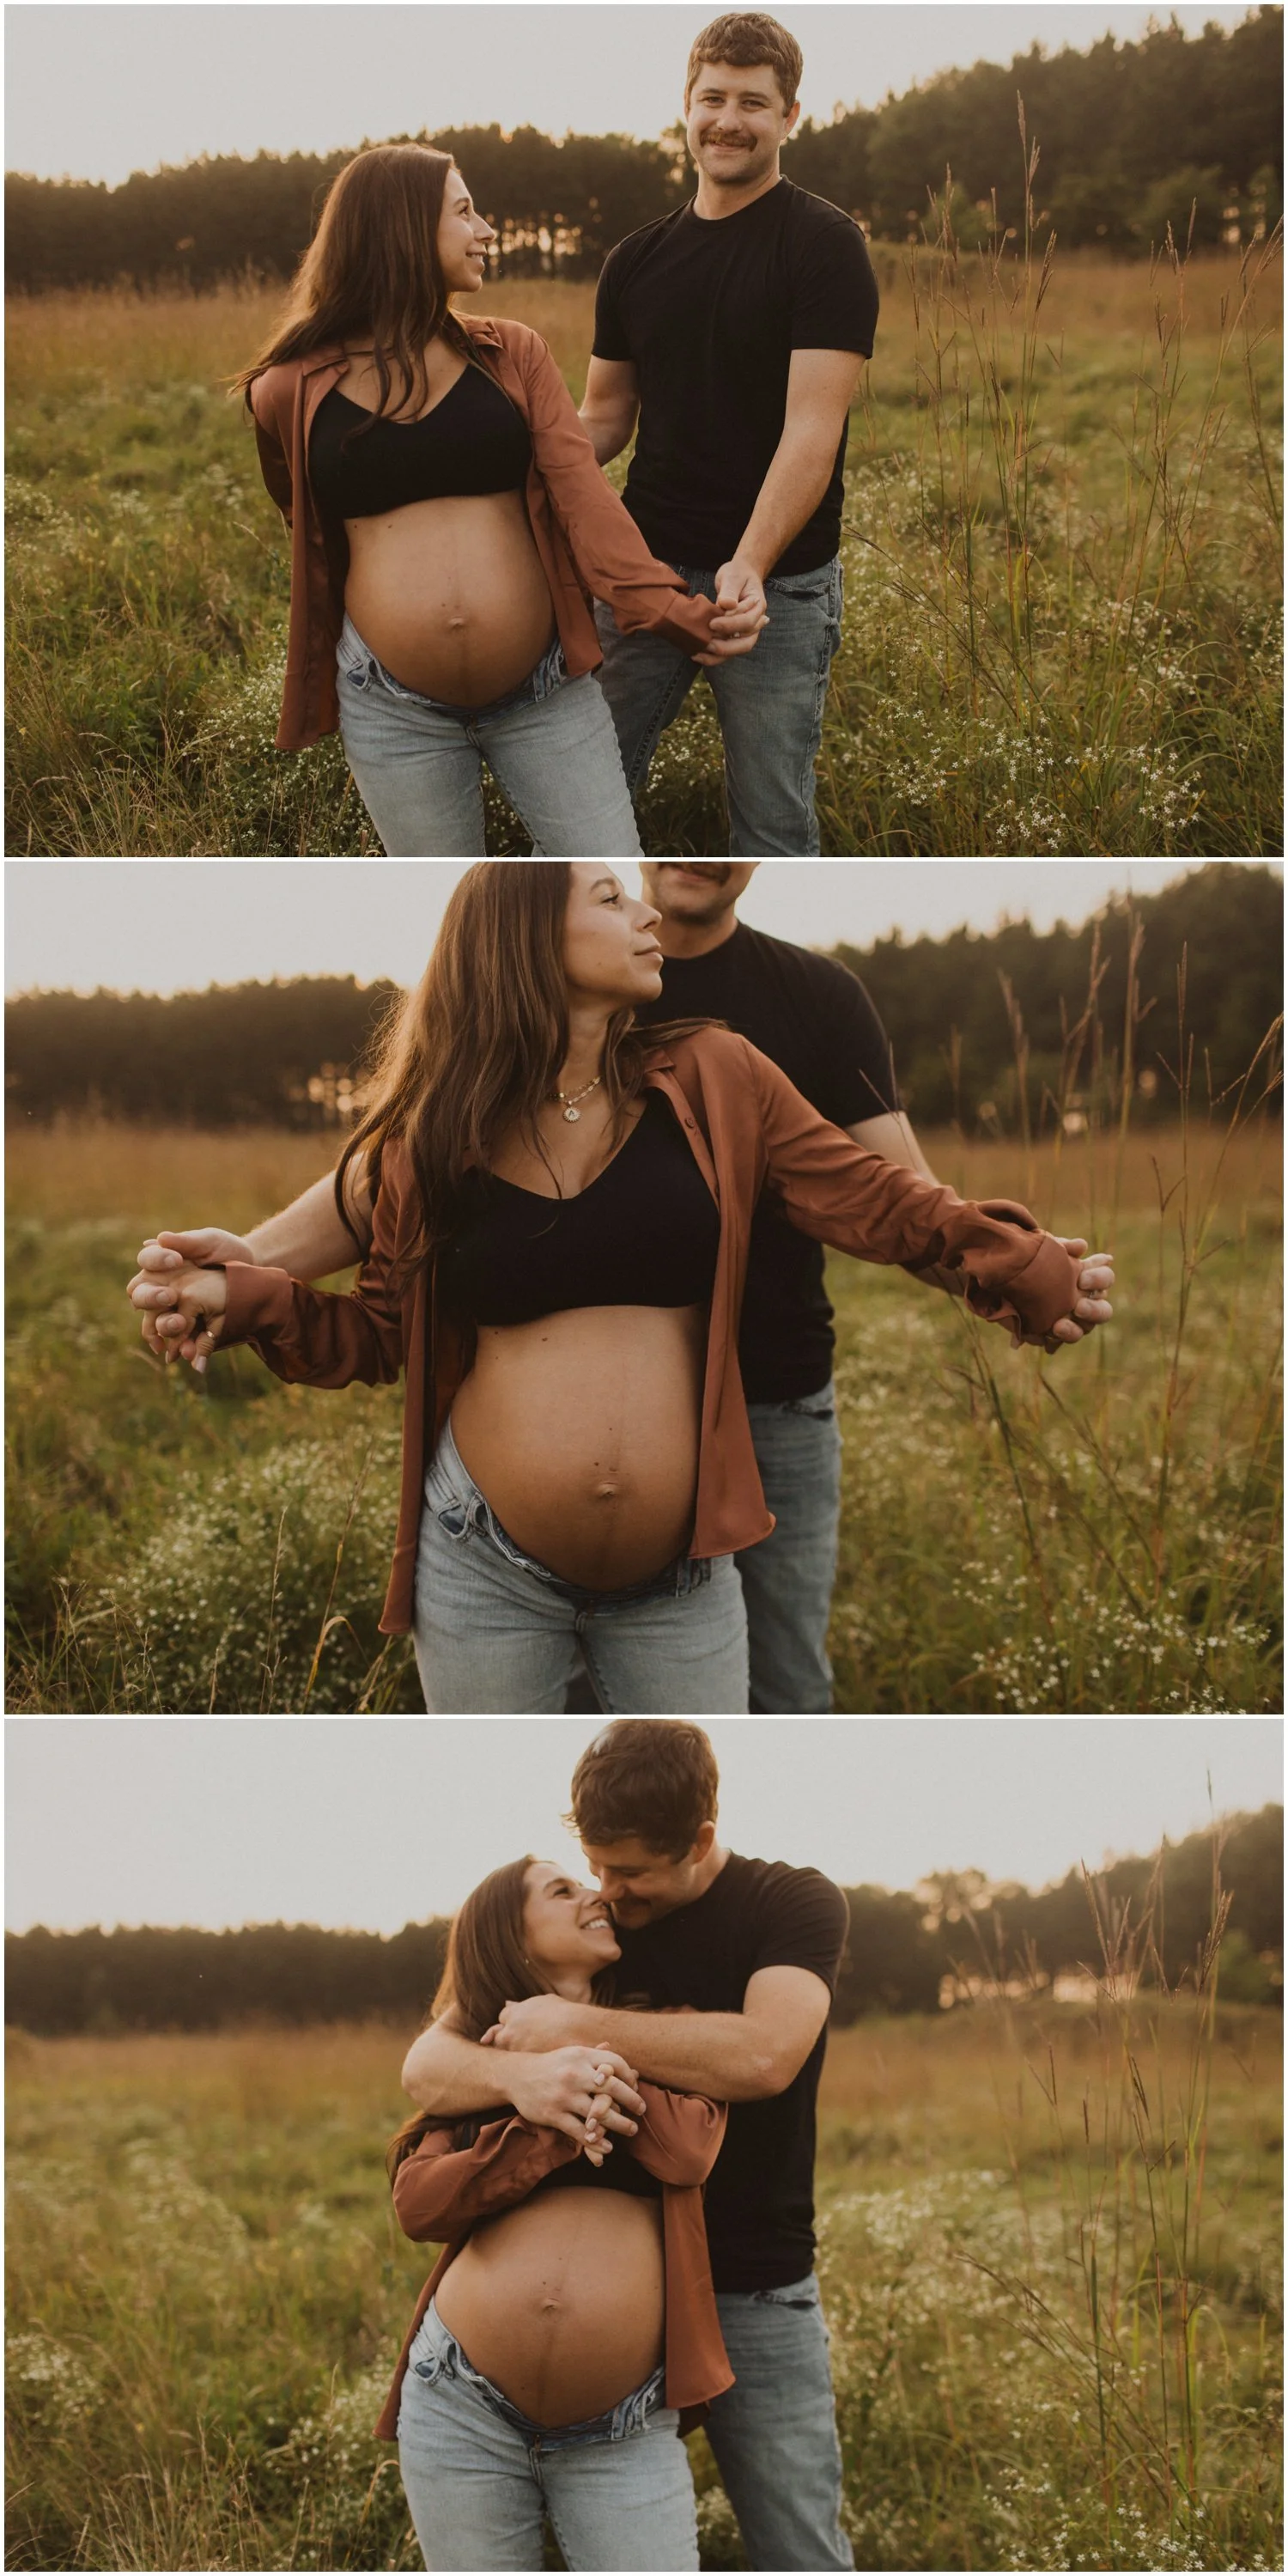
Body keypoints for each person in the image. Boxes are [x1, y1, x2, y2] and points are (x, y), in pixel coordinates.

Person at [128, 862, 1116, 1713]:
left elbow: (883, 1199)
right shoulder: (433, 1132)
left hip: (683, 1575)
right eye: (610, 896)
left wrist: (1024, 1268)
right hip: (482, 1567)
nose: (644, 914)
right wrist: (246, 1288)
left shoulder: (719, 1071)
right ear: (524, 938)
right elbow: (381, 1332)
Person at [401, 1721, 854, 2572]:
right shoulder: (595, 1930)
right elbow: (426, 2062)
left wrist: (569, 2027)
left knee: (798, 2543)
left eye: (630, 1871)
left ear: (702, 1840)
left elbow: (765, 2054)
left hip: (754, 2280)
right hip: (625, 2305)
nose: (607, 1891)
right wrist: (524, 2080)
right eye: (592, 1866)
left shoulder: (790, 1902)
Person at [237, 143, 761, 857]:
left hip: (545, 695)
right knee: (457, 907)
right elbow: (309, 526)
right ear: (400, 229)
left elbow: (584, 499)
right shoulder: (285, 391)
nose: (487, 230)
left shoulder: (514, 354)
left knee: (607, 875)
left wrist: (672, 610)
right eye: (463, 212)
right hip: (392, 710)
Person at [379, 1849, 729, 2570]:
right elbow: (418, 2202)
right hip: (459, 2405)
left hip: (621, 2427)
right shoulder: (481, 2058)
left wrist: (574, 2041)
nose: (593, 1895)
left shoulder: (668, 2027)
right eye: (562, 1890)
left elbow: (688, 2148)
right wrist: (536, 2108)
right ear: (509, 1935)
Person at [580, 11, 878, 855]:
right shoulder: (634, 261)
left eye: (754, 102)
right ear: (685, 105)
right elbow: (603, 416)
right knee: (583, 802)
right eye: (713, 98)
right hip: (644, 578)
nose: (728, 120)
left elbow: (811, 431)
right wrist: (510, 464)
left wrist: (747, 563)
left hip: (777, 588)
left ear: (790, 117)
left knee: (774, 827)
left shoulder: (825, 245)